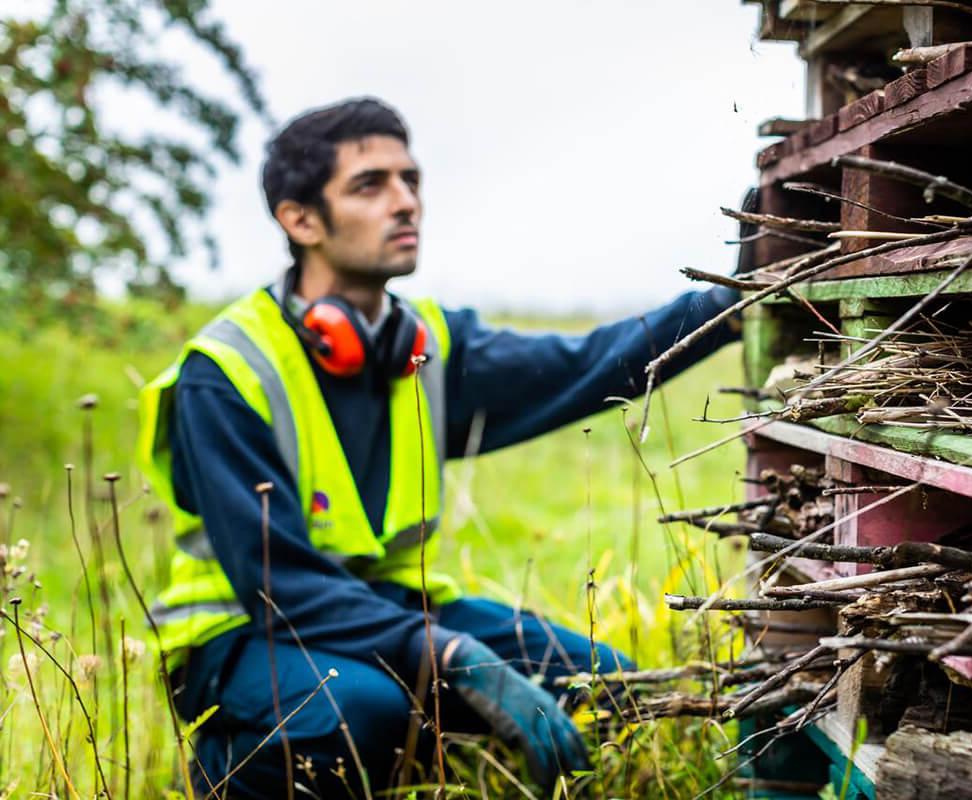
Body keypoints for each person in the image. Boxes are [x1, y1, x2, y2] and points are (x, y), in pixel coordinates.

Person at [137, 97, 741, 799]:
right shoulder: (228, 368)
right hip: (242, 630)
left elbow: (585, 364)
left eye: (410, 180)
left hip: (384, 609)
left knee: (604, 686)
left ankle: (427, 766)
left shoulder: (427, 345)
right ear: (300, 220)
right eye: (370, 185)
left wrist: (724, 302)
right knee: (360, 711)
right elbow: (278, 584)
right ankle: (225, 774)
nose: (406, 202)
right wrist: (448, 653)